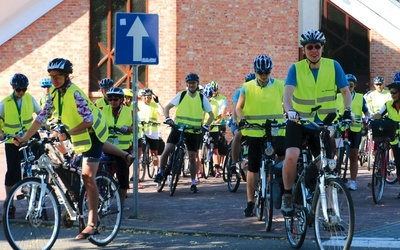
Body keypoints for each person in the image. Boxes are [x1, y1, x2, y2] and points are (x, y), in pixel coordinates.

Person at [13, 58, 134, 240]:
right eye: (51, 76)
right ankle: (80, 203)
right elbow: (41, 117)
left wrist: (67, 131)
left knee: (87, 176)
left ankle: (92, 223)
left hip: (92, 134)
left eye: (58, 76)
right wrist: (24, 138)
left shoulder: (75, 93)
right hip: (80, 137)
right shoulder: (54, 93)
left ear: (67, 76)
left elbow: (88, 121)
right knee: (68, 166)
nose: (54, 80)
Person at [281, 29, 352, 217]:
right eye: (309, 47)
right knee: (291, 156)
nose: (314, 50)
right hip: (299, 121)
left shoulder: (333, 66)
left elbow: (345, 92)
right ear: (304, 49)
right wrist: (290, 111)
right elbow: (287, 96)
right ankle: (287, 195)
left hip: (322, 124)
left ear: (322, 48)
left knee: (327, 165)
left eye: (317, 47)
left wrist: (347, 111)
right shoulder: (295, 69)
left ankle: (329, 207)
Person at [236, 55, 286, 217]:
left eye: (266, 73)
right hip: (254, 131)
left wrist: (291, 115)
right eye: (260, 73)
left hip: (276, 130)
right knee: (253, 167)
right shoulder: (247, 87)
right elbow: (239, 107)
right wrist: (242, 120)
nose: (264, 76)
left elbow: (288, 102)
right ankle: (250, 202)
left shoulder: (279, 85)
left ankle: (278, 183)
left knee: (283, 157)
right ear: (255, 72)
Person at [154, 73, 214, 193]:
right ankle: (160, 172)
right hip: (179, 128)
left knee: (192, 157)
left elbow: (211, 115)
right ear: (187, 84)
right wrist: (168, 118)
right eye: (190, 83)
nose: (192, 85)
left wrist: (206, 126)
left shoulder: (202, 98)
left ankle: (193, 182)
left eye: (194, 83)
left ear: (197, 84)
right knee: (168, 149)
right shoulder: (181, 95)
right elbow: (167, 107)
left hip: (194, 131)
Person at [0, 73, 42, 219]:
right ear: (13, 88)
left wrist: (48, 127)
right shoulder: (5, 103)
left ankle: (39, 202)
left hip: (30, 137)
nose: (21, 92)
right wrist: (1, 133)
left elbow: (40, 114)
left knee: (40, 165)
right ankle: (9, 203)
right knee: (13, 172)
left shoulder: (30, 98)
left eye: (24, 89)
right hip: (13, 141)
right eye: (18, 89)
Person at [336, 74, 370, 191]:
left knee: (354, 156)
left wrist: (366, 119)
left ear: (354, 85)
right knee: (337, 154)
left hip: (355, 130)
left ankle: (353, 181)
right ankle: (336, 177)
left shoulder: (360, 97)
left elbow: (367, 112)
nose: (349, 87)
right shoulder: (337, 97)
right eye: (346, 85)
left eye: (351, 85)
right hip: (340, 129)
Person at [102, 87, 133, 204]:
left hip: (123, 149)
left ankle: (121, 202)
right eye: (110, 100)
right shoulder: (103, 110)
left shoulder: (129, 111)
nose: (112, 102)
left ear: (121, 100)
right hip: (107, 147)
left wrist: (128, 128)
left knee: (122, 175)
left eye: (115, 99)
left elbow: (136, 129)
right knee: (102, 169)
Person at [372, 80, 400, 198]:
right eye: (391, 93)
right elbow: (379, 114)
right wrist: (370, 119)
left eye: (395, 93)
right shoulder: (388, 104)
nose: (393, 95)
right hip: (394, 138)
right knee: (399, 164)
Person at [229, 73, 256, 171]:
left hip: (251, 124)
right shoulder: (239, 92)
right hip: (239, 122)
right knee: (238, 135)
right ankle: (234, 161)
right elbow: (236, 107)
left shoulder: (257, 93)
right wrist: (235, 120)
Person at [137, 88, 164, 179]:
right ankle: (139, 174)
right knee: (140, 153)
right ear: (141, 97)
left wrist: (158, 102)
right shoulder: (139, 105)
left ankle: (157, 171)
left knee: (154, 153)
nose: (147, 99)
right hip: (142, 130)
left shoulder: (154, 105)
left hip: (153, 132)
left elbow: (162, 113)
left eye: (149, 97)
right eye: (145, 97)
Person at [202, 84, 223, 177]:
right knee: (200, 149)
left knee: (214, 149)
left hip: (213, 128)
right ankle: (200, 171)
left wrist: (215, 122)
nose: (208, 99)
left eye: (209, 97)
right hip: (203, 127)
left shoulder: (215, 103)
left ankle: (217, 169)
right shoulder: (201, 101)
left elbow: (220, 117)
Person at [209, 81, 228, 171]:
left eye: (215, 90)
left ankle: (220, 165)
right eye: (212, 90)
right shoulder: (208, 98)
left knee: (220, 143)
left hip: (220, 123)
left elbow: (223, 111)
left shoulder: (222, 99)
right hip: (211, 123)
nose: (213, 92)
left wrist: (219, 120)